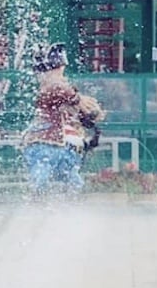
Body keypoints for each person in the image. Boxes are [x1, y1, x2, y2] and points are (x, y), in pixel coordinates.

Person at [20, 42, 105, 197]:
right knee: (41, 178)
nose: (60, 75)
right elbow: (55, 89)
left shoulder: (65, 92)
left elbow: (74, 108)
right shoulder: (50, 88)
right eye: (57, 70)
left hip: (65, 148)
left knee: (74, 182)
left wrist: (88, 116)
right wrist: (78, 99)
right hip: (44, 144)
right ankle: (38, 208)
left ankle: (66, 211)